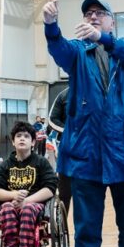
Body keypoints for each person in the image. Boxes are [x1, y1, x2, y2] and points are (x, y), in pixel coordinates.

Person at [42, 0, 124, 247]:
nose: (93, 17)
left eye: (100, 13)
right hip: (85, 157)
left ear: (112, 21)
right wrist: (50, 25)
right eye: (88, 13)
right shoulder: (77, 53)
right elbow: (58, 49)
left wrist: (104, 38)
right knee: (86, 231)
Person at [0, 120, 58, 247]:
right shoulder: (6, 165)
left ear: (33, 142)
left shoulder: (41, 162)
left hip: (34, 205)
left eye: (26, 136)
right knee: (7, 208)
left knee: (28, 210)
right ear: (13, 142)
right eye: (18, 136)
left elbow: (50, 188)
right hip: (11, 204)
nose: (22, 138)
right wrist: (13, 195)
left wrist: (26, 201)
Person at [48, 87, 72, 218]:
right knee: (64, 195)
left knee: (87, 197)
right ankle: (60, 227)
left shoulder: (96, 90)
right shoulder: (63, 95)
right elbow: (52, 119)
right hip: (67, 152)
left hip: (90, 154)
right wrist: (69, 131)